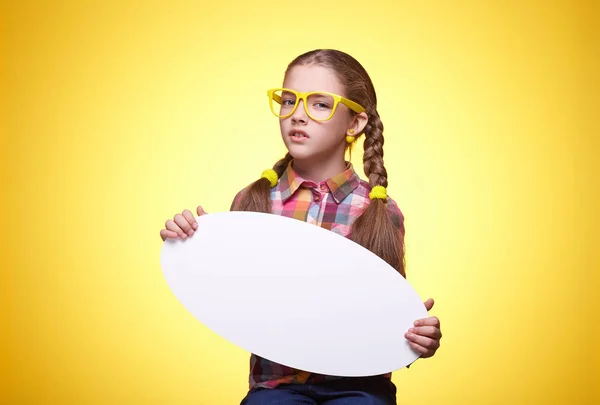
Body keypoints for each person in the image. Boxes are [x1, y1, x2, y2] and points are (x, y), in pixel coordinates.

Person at [159, 49, 442, 404]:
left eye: (320, 104)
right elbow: (231, 294)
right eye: (289, 101)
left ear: (354, 123)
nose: (298, 116)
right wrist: (191, 246)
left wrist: (418, 337)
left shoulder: (377, 211)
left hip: (359, 385)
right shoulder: (254, 202)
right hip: (277, 388)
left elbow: (386, 314)